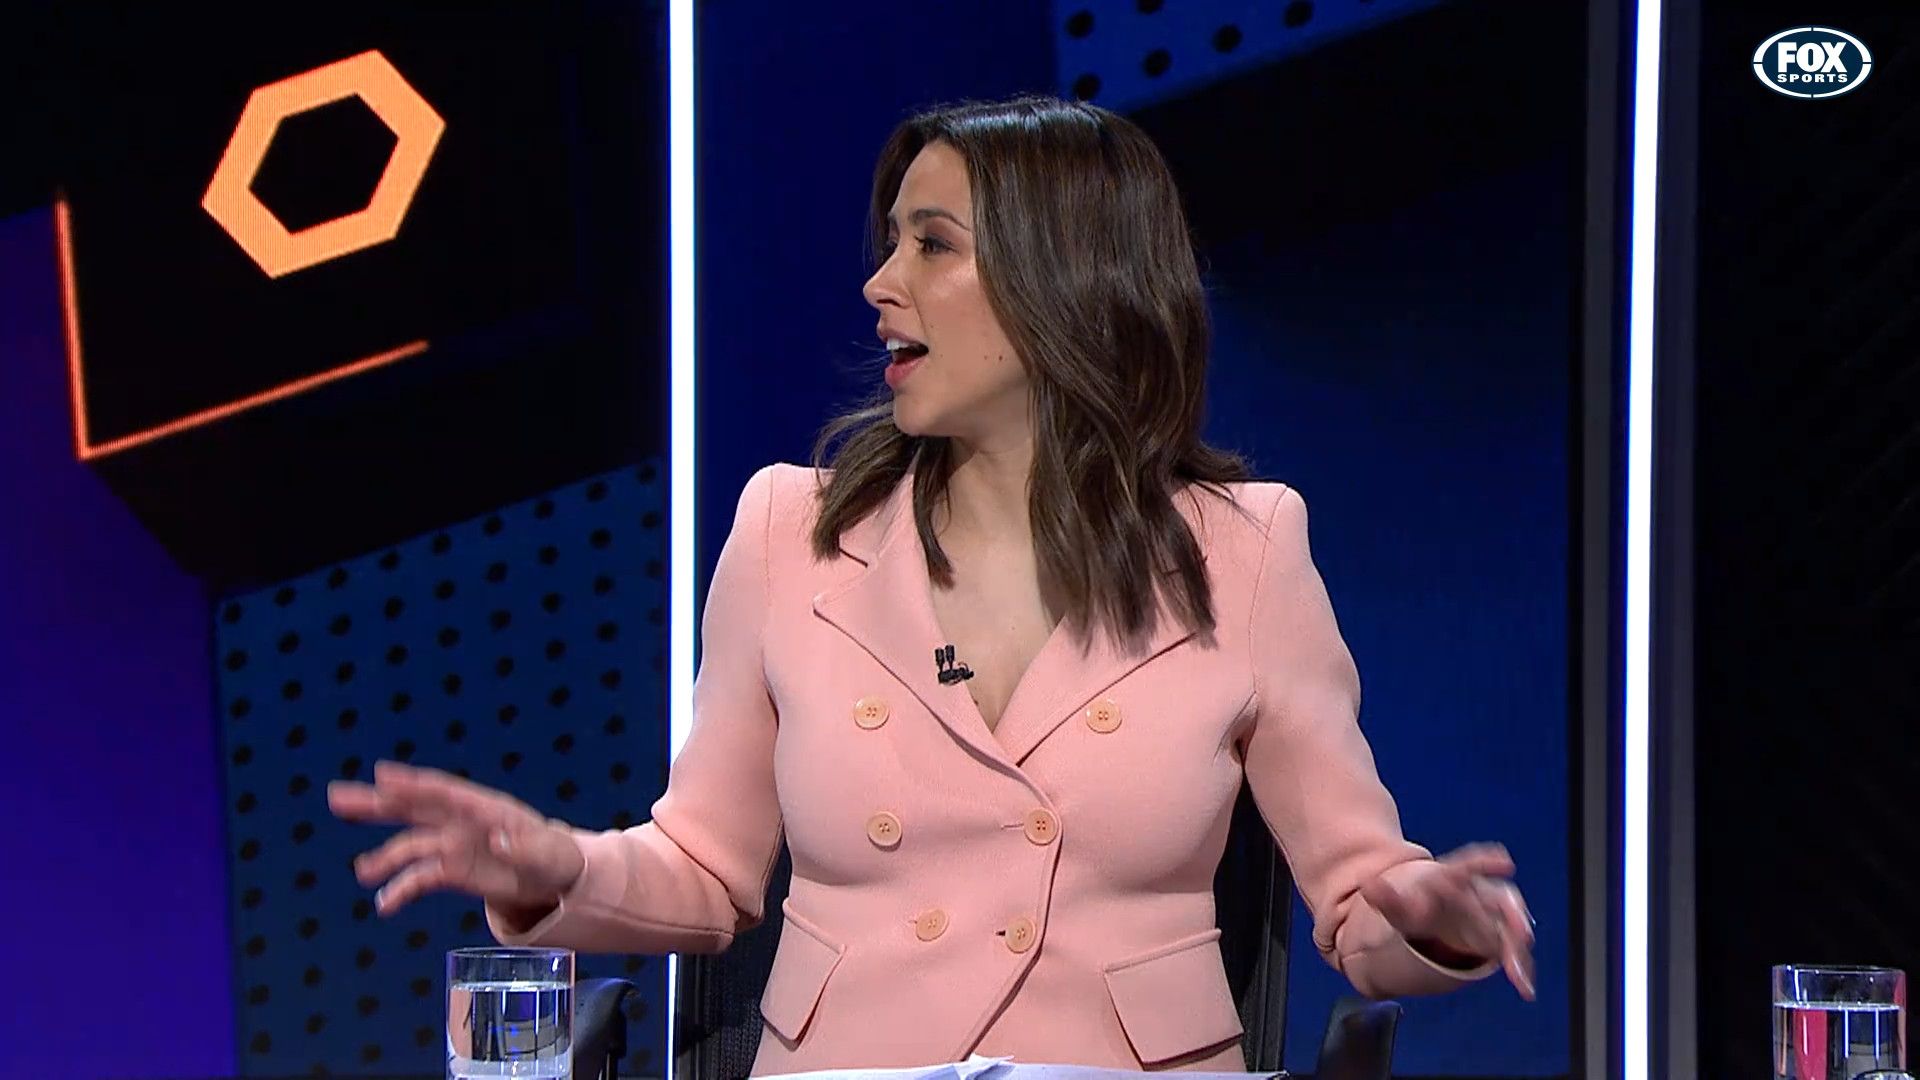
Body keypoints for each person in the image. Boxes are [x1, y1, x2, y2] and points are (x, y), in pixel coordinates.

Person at [330, 94, 1535, 1075]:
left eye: (934, 245)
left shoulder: (1244, 548)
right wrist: (555, 870)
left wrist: (1429, 913)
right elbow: (701, 873)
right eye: (892, 241)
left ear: (1064, 280)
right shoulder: (787, 531)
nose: (880, 282)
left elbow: (1360, 900)